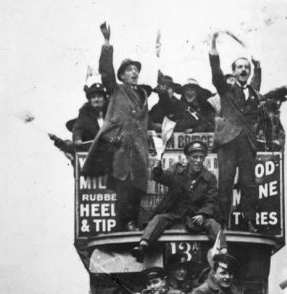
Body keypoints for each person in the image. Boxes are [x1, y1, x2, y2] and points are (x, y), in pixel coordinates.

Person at [82, 22, 151, 231]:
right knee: (123, 188)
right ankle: (124, 225)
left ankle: (132, 224)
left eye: (135, 69)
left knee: (137, 189)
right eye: (129, 70)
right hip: (120, 150)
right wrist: (106, 43)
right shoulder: (116, 90)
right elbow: (105, 70)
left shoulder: (143, 96)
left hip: (139, 152)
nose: (134, 72)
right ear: (121, 76)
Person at [132, 141, 226, 262]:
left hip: (195, 216)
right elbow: (162, 177)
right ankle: (142, 247)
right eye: (194, 157)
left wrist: (203, 214)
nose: (198, 160)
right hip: (175, 213)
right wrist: (157, 165)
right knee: (158, 219)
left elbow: (211, 200)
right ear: (188, 158)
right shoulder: (177, 170)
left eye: (201, 157)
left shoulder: (210, 178)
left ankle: (224, 253)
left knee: (213, 224)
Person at [208, 32, 262, 231]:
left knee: (248, 183)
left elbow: (257, 79)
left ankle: (249, 221)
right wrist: (213, 46)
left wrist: (257, 65)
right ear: (233, 71)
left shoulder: (254, 92)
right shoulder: (226, 90)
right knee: (225, 182)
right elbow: (216, 73)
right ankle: (222, 222)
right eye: (239, 67)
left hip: (247, 142)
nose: (243, 70)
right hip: (229, 141)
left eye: (246, 67)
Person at [73, 83, 109, 148]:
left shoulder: (110, 112)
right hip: (93, 150)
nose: (96, 99)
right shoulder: (84, 114)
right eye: (93, 97)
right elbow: (78, 128)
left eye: (99, 96)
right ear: (90, 101)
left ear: (104, 100)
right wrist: (77, 138)